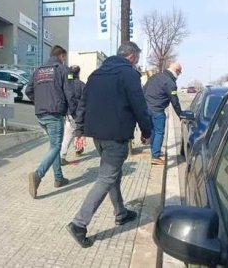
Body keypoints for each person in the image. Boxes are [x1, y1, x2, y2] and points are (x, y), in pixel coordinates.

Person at [66, 42, 152, 248]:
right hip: (116, 135)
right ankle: (79, 224)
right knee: (106, 178)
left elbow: (83, 104)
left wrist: (79, 131)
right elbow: (139, 105)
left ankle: (121, 213)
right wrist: (147, 131)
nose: (137, 63)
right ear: (131, 57)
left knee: (113, 175)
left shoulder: (96, 75)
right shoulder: (129, 75)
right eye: (137, 59)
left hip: (97, 135)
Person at [26, 45, 77, 199]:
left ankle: (59, 178)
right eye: (64, 58)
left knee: (53, 147)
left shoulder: (38, 71)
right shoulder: (62, 69)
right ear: (61, 56)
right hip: (54, 114)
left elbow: (28, 91)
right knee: (56, 146)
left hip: (40, 115)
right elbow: (69, 92)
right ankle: (37, 175)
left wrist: (40, 102)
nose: (64, 60)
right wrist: (73, 112)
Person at [143, 62, 183, 165]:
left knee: (152, 131)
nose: (179, 75)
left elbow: (144, 90)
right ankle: (155, 156)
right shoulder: (170, 82)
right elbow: (175, 101)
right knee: (159, 132)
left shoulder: (155, 76)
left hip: (147, 108)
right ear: (177, 72)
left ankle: (154, 151)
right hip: (157, 110)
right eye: (179, 73)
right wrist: (180, 115)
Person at [60, 65, 86, 165]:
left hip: (69, 113)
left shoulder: (66, 85)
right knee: (75, 132)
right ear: (78, 73)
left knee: (69, 134)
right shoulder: (82, 85)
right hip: (80, 113)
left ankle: (75, 150)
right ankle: (63, 155)